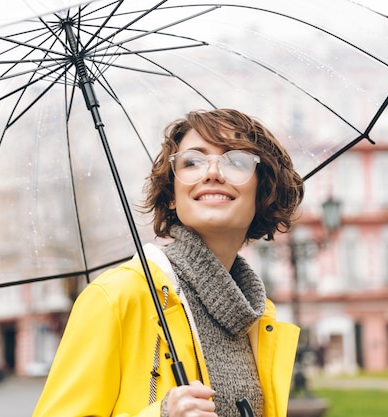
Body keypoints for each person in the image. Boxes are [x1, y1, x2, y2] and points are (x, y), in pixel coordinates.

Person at [32, 108, 304, 417]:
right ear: (172, 194)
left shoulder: (257, 317)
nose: (213, 172)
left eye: (236, 161)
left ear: (262, 191)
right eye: (192, 162)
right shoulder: (117, 296)